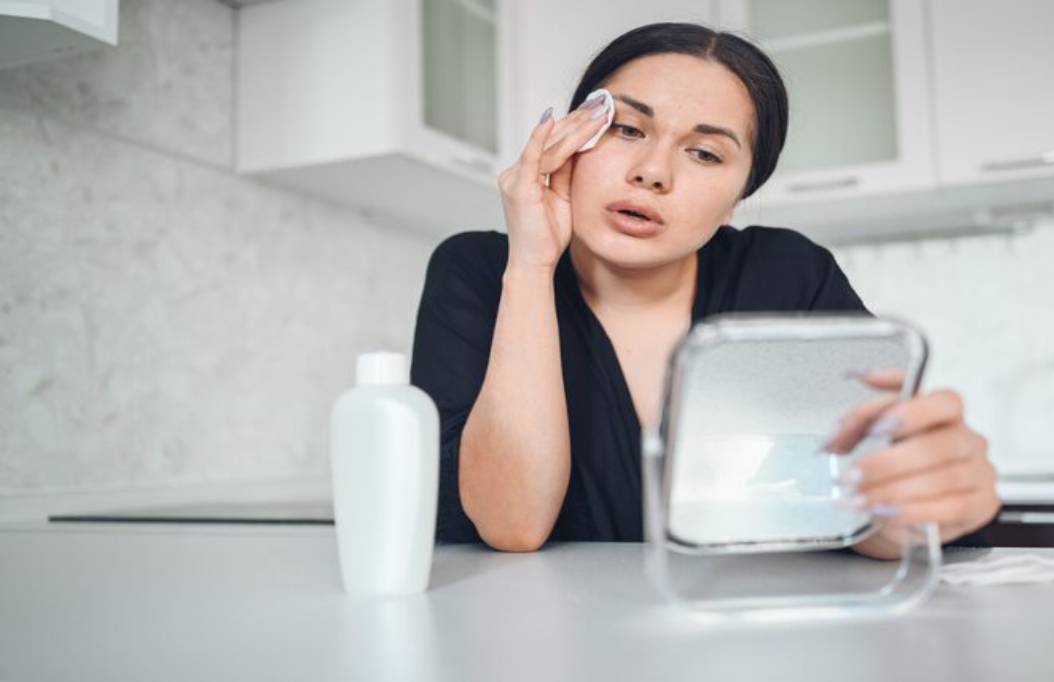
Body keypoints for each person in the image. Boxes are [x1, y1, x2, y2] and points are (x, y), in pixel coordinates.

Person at [410, 22, 1000, 557]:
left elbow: (870, 498)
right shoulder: (480, 270)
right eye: (626, 129)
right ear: (569, 141)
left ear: (738, 198)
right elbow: (513, 524)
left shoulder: (790, 274)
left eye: (704, 153)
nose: (652, 172)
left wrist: (914, 506)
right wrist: (531, 266)